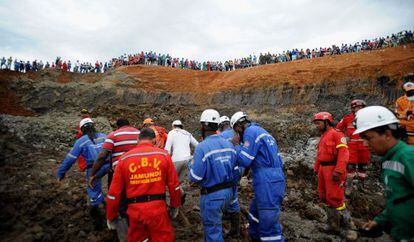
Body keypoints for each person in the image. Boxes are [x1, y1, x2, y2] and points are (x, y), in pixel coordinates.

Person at [106, 128, 181, 242]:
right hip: (158, 211)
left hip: (135, 212)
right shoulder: (163, 155)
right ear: (154, 140)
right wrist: (175, 205)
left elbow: (113, 193)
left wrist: (111, 216)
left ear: (138, 140)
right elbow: (174, 186)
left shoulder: (124, 159)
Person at [355, 106, 414, 241]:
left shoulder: (408, 157)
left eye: (368, 138)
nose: (364, 144)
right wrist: (380, 221)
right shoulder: (388, 159)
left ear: (387, 134)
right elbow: (399, 199)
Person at [231, 111, 285, 242]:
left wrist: (237, 145)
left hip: (267, 180)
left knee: (268, 225)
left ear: (238, 126)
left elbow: (244, 160)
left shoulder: (250, 132)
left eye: (236, 131)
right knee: (255, 215)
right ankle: (254, 237)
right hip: (274, 177)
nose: (237, 134)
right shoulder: (263, 132)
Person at [188, 109, 239, 242]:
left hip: (212, 196)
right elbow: (236, 173)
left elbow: (195, 177)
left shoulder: (202, 147)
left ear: (203, 126)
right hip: (228, 194)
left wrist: (190, 165)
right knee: (216, 226)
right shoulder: (228, 144)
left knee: (212, 232)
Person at [313, 112, 356, 238]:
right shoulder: (323, 136)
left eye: (318, 123)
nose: (316, 126)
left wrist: (338, 171)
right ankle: (332, 225)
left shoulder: (337, 134)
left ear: (327, 122)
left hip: (333, 169)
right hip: (323, 169)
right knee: (324, 196)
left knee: (335, 198)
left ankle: (347, 226)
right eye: (316, 123)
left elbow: (344, 153)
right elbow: (320, 155)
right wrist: (317, 169)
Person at [57, 118, 106, 227]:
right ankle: (108, 203)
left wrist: (61, 173)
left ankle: (97, 219)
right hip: (107, 165)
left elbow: (70, 159)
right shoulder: (103, 136)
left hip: (94, 168)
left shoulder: (81, 141)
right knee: (110, 188)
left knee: (93, 189)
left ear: (82, 129)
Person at [89, 118, 140, 187]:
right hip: (139, 170)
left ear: (117, 127)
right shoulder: (139, 133)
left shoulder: (113, 135)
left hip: (121, 172)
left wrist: (92, 174)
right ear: (129, 125)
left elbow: (102, 156)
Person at [337, 100, 371, 196]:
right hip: (352, 146)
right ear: (353, 108)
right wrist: (343, 137)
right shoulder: (347, 119)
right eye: (357, 107)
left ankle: (361, 185)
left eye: (361, 107)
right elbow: (338, 129)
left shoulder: (369, 119)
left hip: (365, 146)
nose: (359, 109)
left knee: (363, 166)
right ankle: (348, 185)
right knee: (350, 166)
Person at [218, 115, 242, 239]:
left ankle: (223, 219)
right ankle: (235, 230)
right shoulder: (237, 133)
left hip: (227, 170)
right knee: (234, 197)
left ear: (221, 126)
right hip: (238, 170)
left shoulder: (220, 137)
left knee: (221, 196)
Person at [164, 120, 198, 187]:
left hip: (176, 160)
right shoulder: (187, 133)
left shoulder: (171, 133)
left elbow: (167, 149)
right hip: (187, 160)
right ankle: (181, 195)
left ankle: (180, 195)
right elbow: (197, 145)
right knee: (178, 182)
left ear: (173, 126)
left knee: (172, 182)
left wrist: (166, 162)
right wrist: (194, 157)